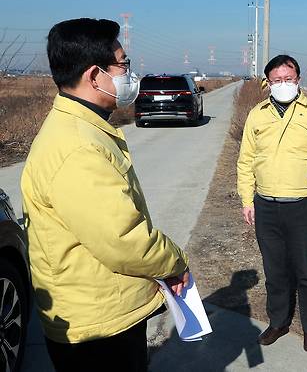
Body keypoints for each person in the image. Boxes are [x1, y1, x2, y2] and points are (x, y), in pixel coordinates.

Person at [20, 18, 190, 372]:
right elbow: (122, 239)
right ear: (95, 76)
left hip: (102, 309)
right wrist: (175, 261)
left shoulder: (82, 128)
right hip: (98, 326)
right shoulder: (78, 146)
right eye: (124, 65)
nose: (130, 73)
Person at [236, 54, 307, 352]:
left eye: (288, 79)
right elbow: (246, 160)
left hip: (303, 204)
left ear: (298, 80)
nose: (282, 84)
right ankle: (278, 322)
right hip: (265, 204)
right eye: (276, 80)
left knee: (306, 270)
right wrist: (246, 199)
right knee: (275, 270)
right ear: (268, 83)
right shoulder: (258, 113)